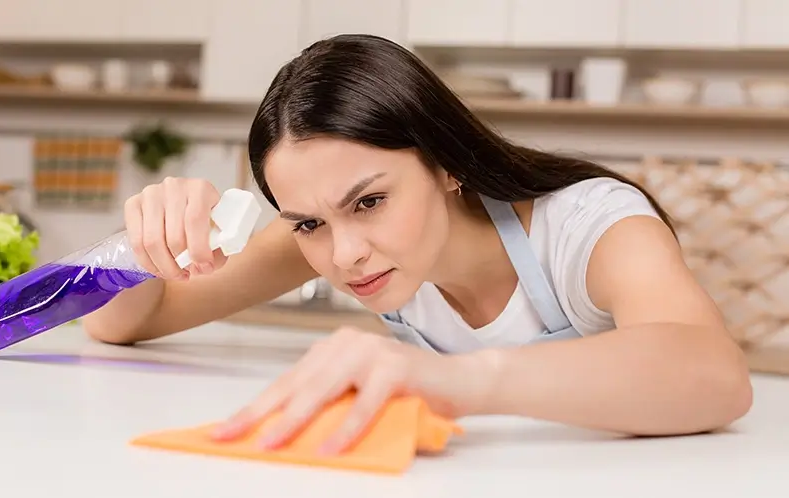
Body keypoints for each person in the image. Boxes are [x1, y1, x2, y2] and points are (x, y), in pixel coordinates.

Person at [84, 34, 752, 455]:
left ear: (446, 163)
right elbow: (125, 322)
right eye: (309, 222)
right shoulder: (324, 236)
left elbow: (717, 379)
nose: (344, 255)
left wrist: (454, 379)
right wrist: (141, 245)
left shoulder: (590, 227)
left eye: (370, 201)